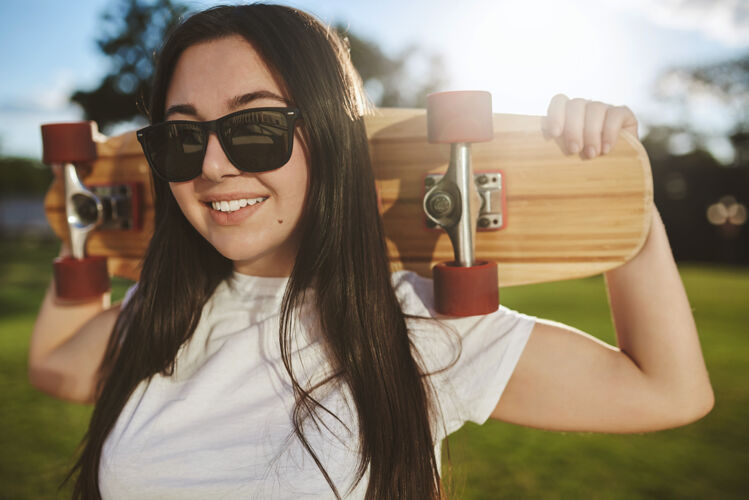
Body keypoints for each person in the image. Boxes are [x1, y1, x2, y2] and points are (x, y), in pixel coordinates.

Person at [28, 4, 714, 499]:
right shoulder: (164, 310)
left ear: (328, 133)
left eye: (256, 127)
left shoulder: (416, 322)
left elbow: (666, 392)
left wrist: (617, 194)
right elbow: (54, 365)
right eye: (180, 138)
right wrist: (81, 226)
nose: (211, 166)